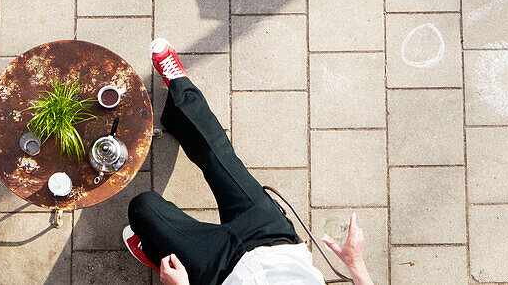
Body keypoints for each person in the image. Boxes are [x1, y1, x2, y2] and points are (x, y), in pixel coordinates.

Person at [123, 39, 376, 285]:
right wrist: (355, 263)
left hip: (220, 273)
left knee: (144, 208)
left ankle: (156, 254)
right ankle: (179, 89)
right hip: (274, 244)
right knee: (218, 155)